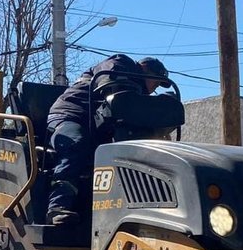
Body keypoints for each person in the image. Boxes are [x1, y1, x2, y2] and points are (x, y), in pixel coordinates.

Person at [44, 55, 172, 225]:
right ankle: (57, 207)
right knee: (76, 143)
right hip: (70, 115)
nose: (153, 90)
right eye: (155, 83)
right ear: (144, 70)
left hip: (98, 124)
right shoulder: (120, 63)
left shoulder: (135, 97)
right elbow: (110, 84)